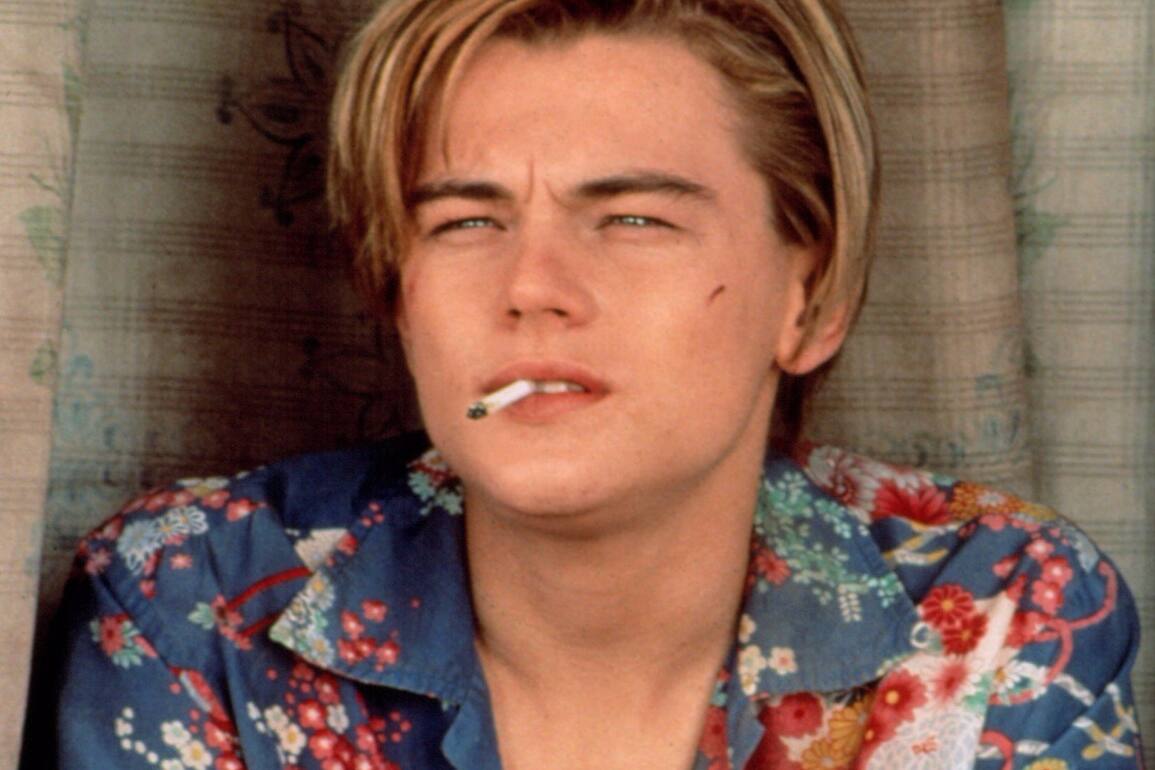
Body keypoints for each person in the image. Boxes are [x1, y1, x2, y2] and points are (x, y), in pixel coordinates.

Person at [37, 1, 1142, 768]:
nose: (533, 288)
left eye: (634, 219)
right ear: (398, 295)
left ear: (809, 298)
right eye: (465, 222)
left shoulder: (996, 614)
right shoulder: (199, 602)